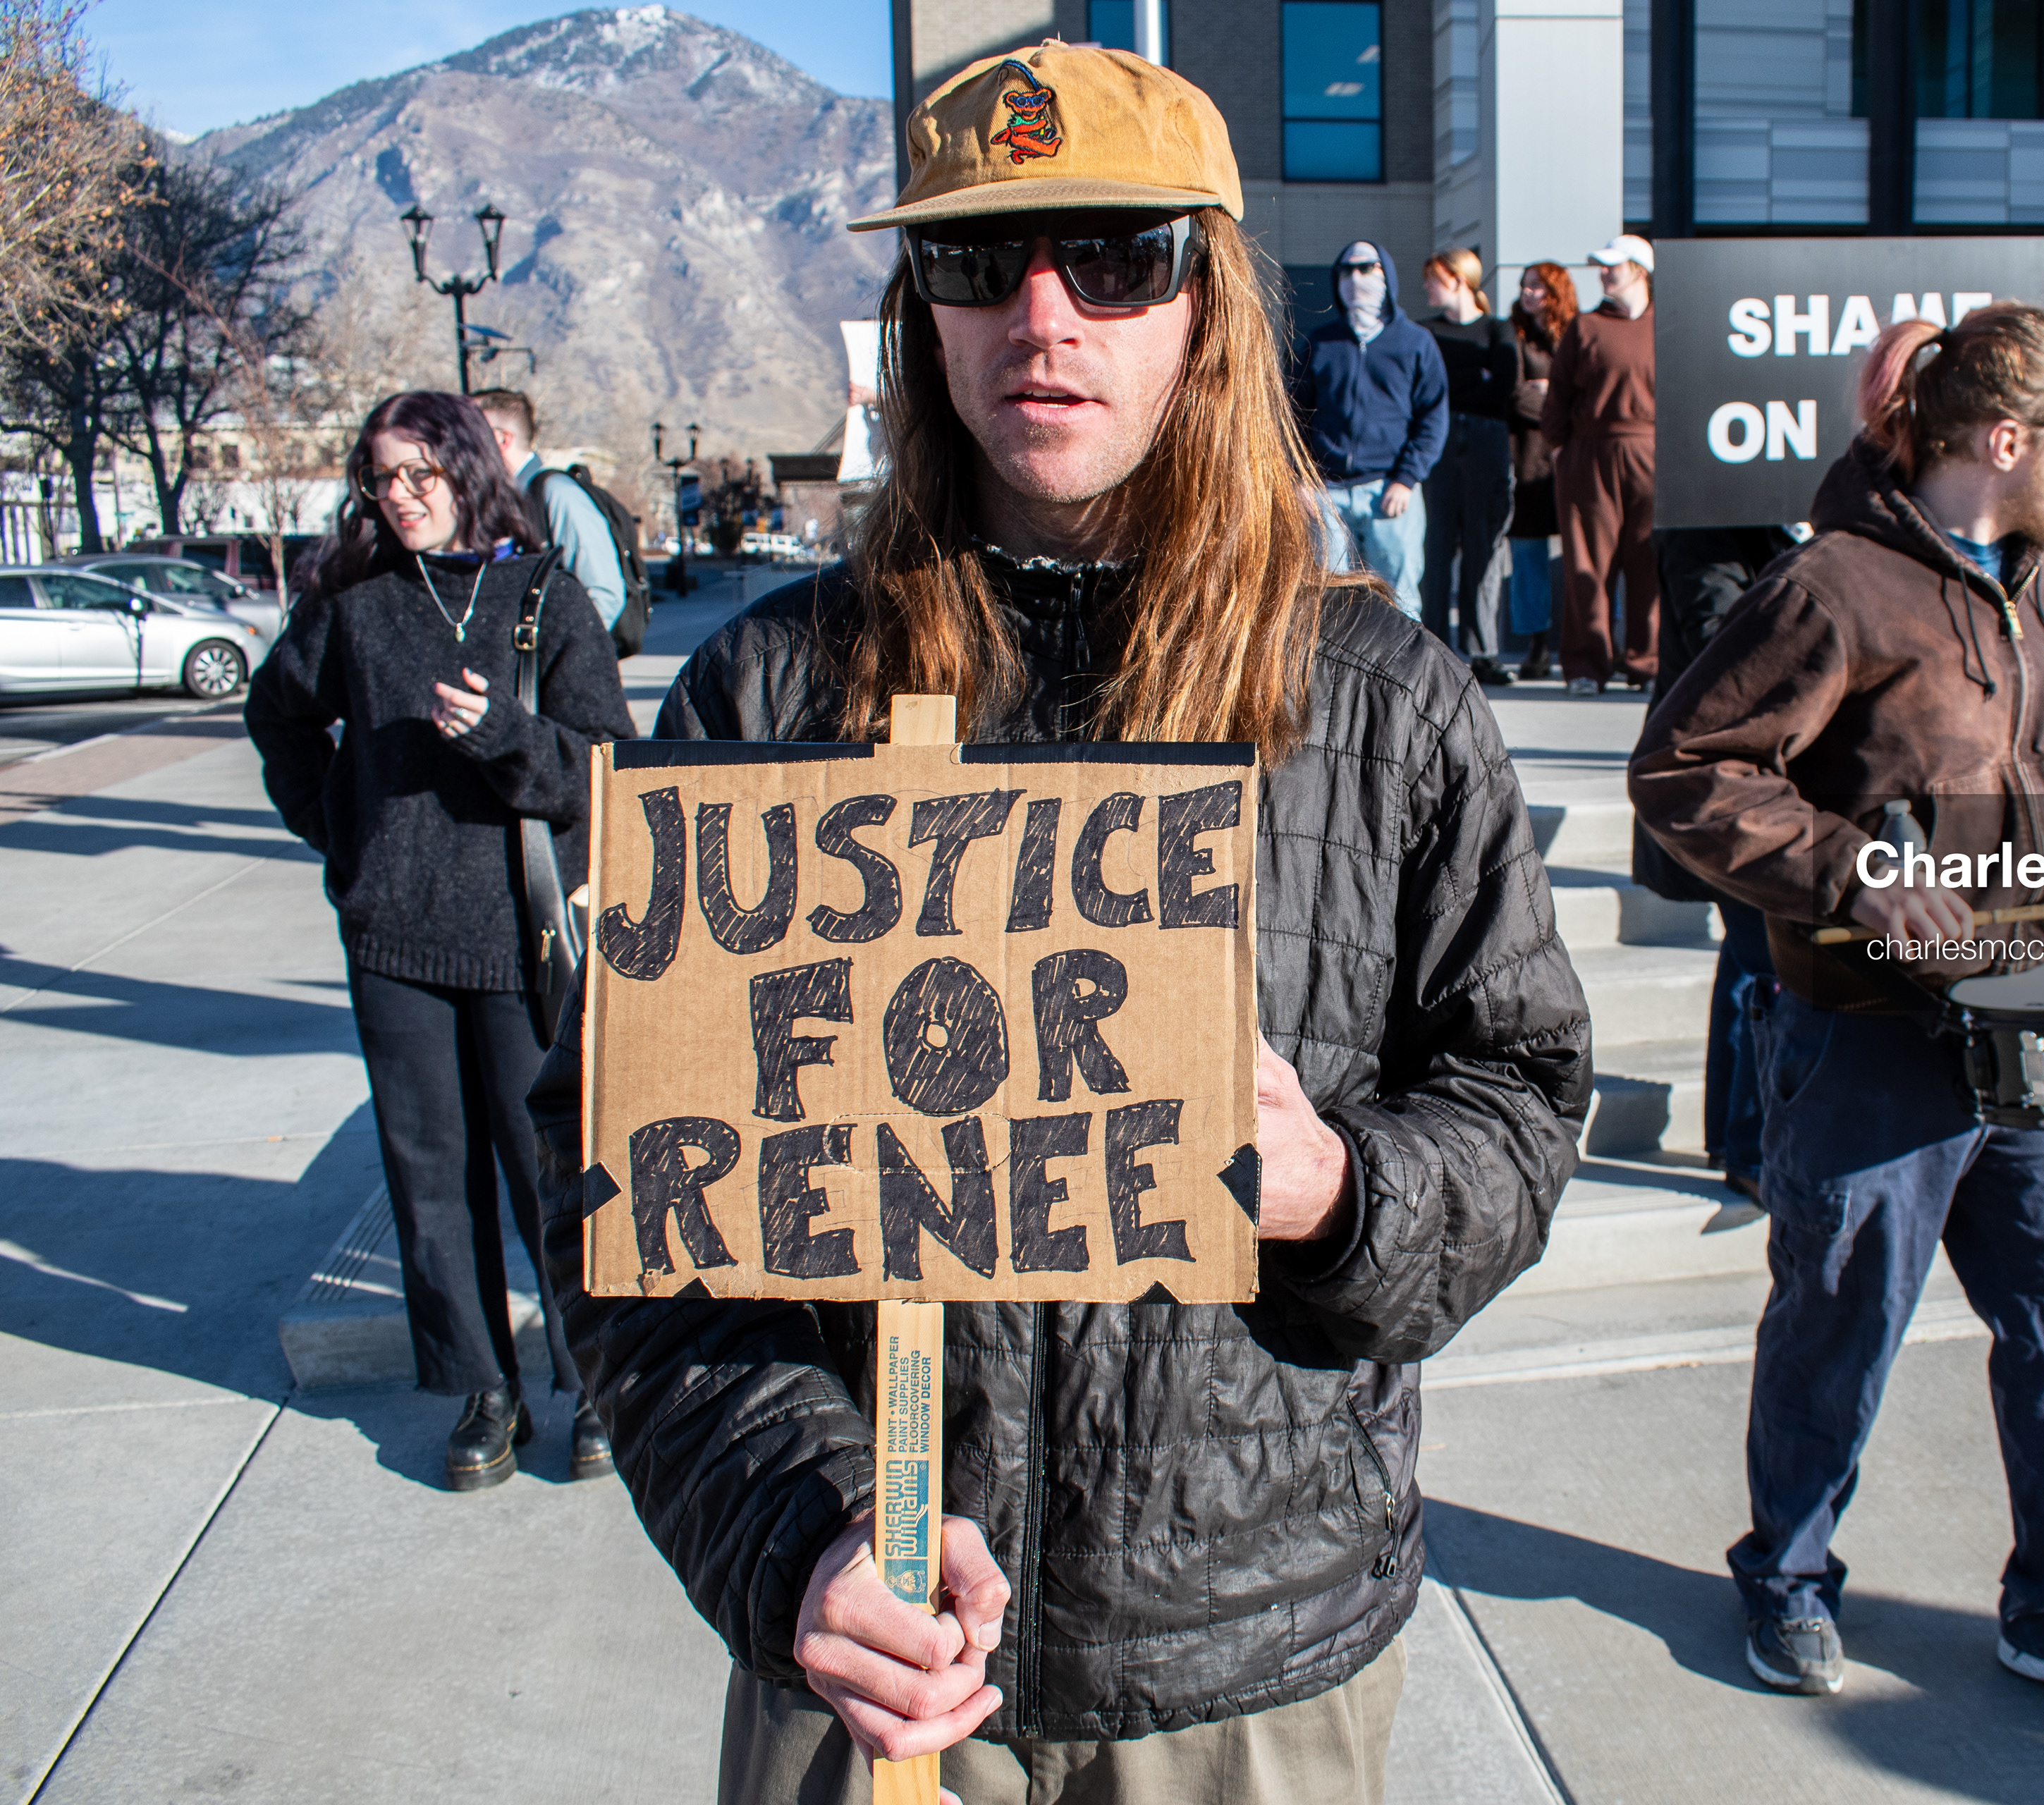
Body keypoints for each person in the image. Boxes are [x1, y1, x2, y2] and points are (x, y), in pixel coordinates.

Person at [528, 42, 1591, 1804]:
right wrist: (795, 1527)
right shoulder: (765, 695)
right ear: (919, 314)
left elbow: (1523, 1102)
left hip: (1243, 1658)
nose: (1043, 312)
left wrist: (1341, 1188)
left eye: (1110, 253)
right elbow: (624, 1199)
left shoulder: (1383, 700)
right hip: (868, 1665)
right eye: (977, 259)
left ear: (1207, 302)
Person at [1630, 304, 2044, 1727]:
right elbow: (1686, 768)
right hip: (1873, 1033)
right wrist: (1850, 870)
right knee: (1841, 1316)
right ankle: (1790, 1570)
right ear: (2005, 441)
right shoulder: (1835, 585)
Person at [244, 391, 628, 1490]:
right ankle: (482, 1391)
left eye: (420, 474)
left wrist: (506, 739)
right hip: (393, 938)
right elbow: (274, 715)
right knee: (426, 1179)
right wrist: (339, 831)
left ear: (468, 470)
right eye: (381, 479)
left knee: (546, 1170)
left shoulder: (542, 597)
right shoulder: (355, 608)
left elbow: (605, 766)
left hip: (518, 939)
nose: (400, 498)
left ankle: (591, 1379)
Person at [1636, 521, 1810, 1197]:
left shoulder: (1814, 529)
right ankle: (1748, 1151)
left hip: (1779, 780)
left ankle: (1735, 1142)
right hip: (1721, 785)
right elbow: (1720, 642)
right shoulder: (1705, 528)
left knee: (1748, 959)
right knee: (1758, 958)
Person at [1292, 238, 1449, 619]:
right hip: (1326, 494)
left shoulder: (1415, 343)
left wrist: (1406, 478)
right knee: (1325, 603)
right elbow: (1293, 415)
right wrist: (1299, 477)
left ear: (1387, 275)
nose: (1356, 278)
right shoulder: (1320, 343)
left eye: (1367, 268)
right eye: (1346, 270)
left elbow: (1433, 418)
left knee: (1399, 602)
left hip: (1389, 491)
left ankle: (1402, 680)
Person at [1543, 234, 1659, 695]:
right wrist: (1561, 451)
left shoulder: (1666, 325)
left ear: (1640, 270)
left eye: (1615, 265)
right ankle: (1587, 666)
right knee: (1587, 564)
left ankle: (1648, 663)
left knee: (1650, 561)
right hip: (1590, 456)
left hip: (1653, 453)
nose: (1605, 272)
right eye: (1603, 265)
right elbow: (1557, 398)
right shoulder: (1585, 327)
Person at [1418, 247, 1519, 685]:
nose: (1427, 287)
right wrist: (1472, 378)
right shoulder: (1425, 333)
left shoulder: (1498, 330)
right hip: (1440, 441)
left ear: (1459, 279)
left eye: (1435, 279)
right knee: (1436, 543)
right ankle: (1434, 647)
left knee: (1483, 546)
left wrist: (1459, 383)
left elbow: (1503, 385)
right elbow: (1429, 387)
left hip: (1487, 442)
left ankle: (1483, 652)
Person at [472, 388, 630, 642]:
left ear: (502, 440)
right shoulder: (499, 501)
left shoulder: (557, 493)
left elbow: (604, 594)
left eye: (467, 431)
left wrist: (557, 661)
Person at [1507, 261, 1576, 680]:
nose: (1528, 293)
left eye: (1537, 287)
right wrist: (1562, 403)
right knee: (1529, 556)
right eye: (1524, 286)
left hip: (1574, 461)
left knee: (1586, 554)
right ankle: (1536, 648)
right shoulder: (1512, 333)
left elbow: (1592, 393)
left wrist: (1553, 394)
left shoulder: (1578, 333)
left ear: (1556, 291)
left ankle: (1590, 644)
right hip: (1530, 462)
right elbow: (1515, 396)